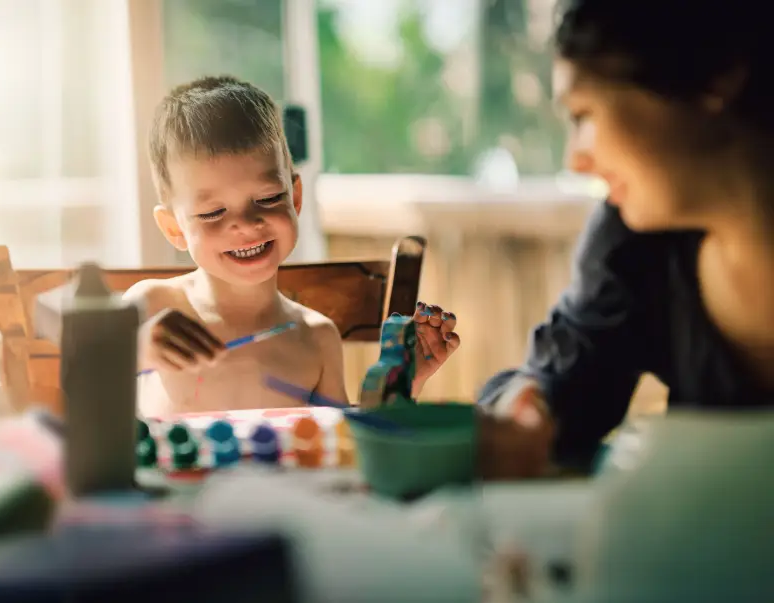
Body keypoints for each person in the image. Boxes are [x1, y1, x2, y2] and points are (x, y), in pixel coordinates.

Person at [478, 0, 774, 477]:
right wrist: (529, 409)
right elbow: (564, 377)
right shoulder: (635, 244)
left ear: (717, 74)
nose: (576, 160)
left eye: (583, 115)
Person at [126, 76, 460, 417]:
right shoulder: (152, 307)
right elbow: (81, 374)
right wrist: (136, 350)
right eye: (212, 213)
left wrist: (399, 385)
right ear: (173, 227)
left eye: (269, 198)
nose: (246, 224)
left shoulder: (316, 339)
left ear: (295, 197)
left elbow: (342, 446)